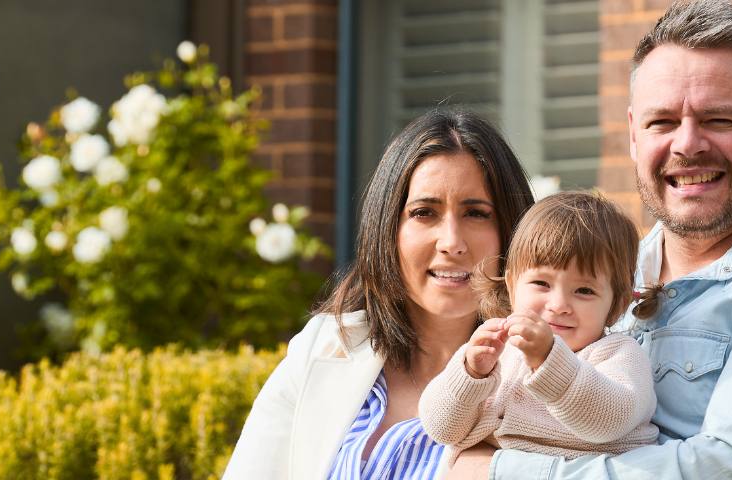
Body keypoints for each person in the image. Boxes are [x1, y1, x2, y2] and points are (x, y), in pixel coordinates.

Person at [456, 1, 732, 478]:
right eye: (662, 122)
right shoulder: (613, 271)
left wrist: (496, 472)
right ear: (634, 135)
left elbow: (728, 470)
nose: (687, 145)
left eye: (718, 120)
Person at [222, 109, 535, 480]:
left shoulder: (550, 378)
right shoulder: (322, 346)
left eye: (477, 214)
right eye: (424, 213)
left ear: (512, 230)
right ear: (388, 229)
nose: (452, 242)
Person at [418, 192, 659, 464]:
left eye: (584, 290)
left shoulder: (618, 354)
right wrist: (470, 374)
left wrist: (549, 361)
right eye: (541, 284)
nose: (558, 305)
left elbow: (609, 419)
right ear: (511, 285)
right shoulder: (496, 351)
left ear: (616, 305)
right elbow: (440, 428)